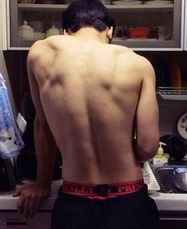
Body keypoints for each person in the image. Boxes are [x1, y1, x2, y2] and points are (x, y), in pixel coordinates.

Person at [13, 0, 160, 228]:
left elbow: (43, 127)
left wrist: (42, 184)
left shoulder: (40, 54)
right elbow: (147, 147)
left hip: (75, 203)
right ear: (109, 30)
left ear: (66, 31)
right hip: (129, 201)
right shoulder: (138, 64)